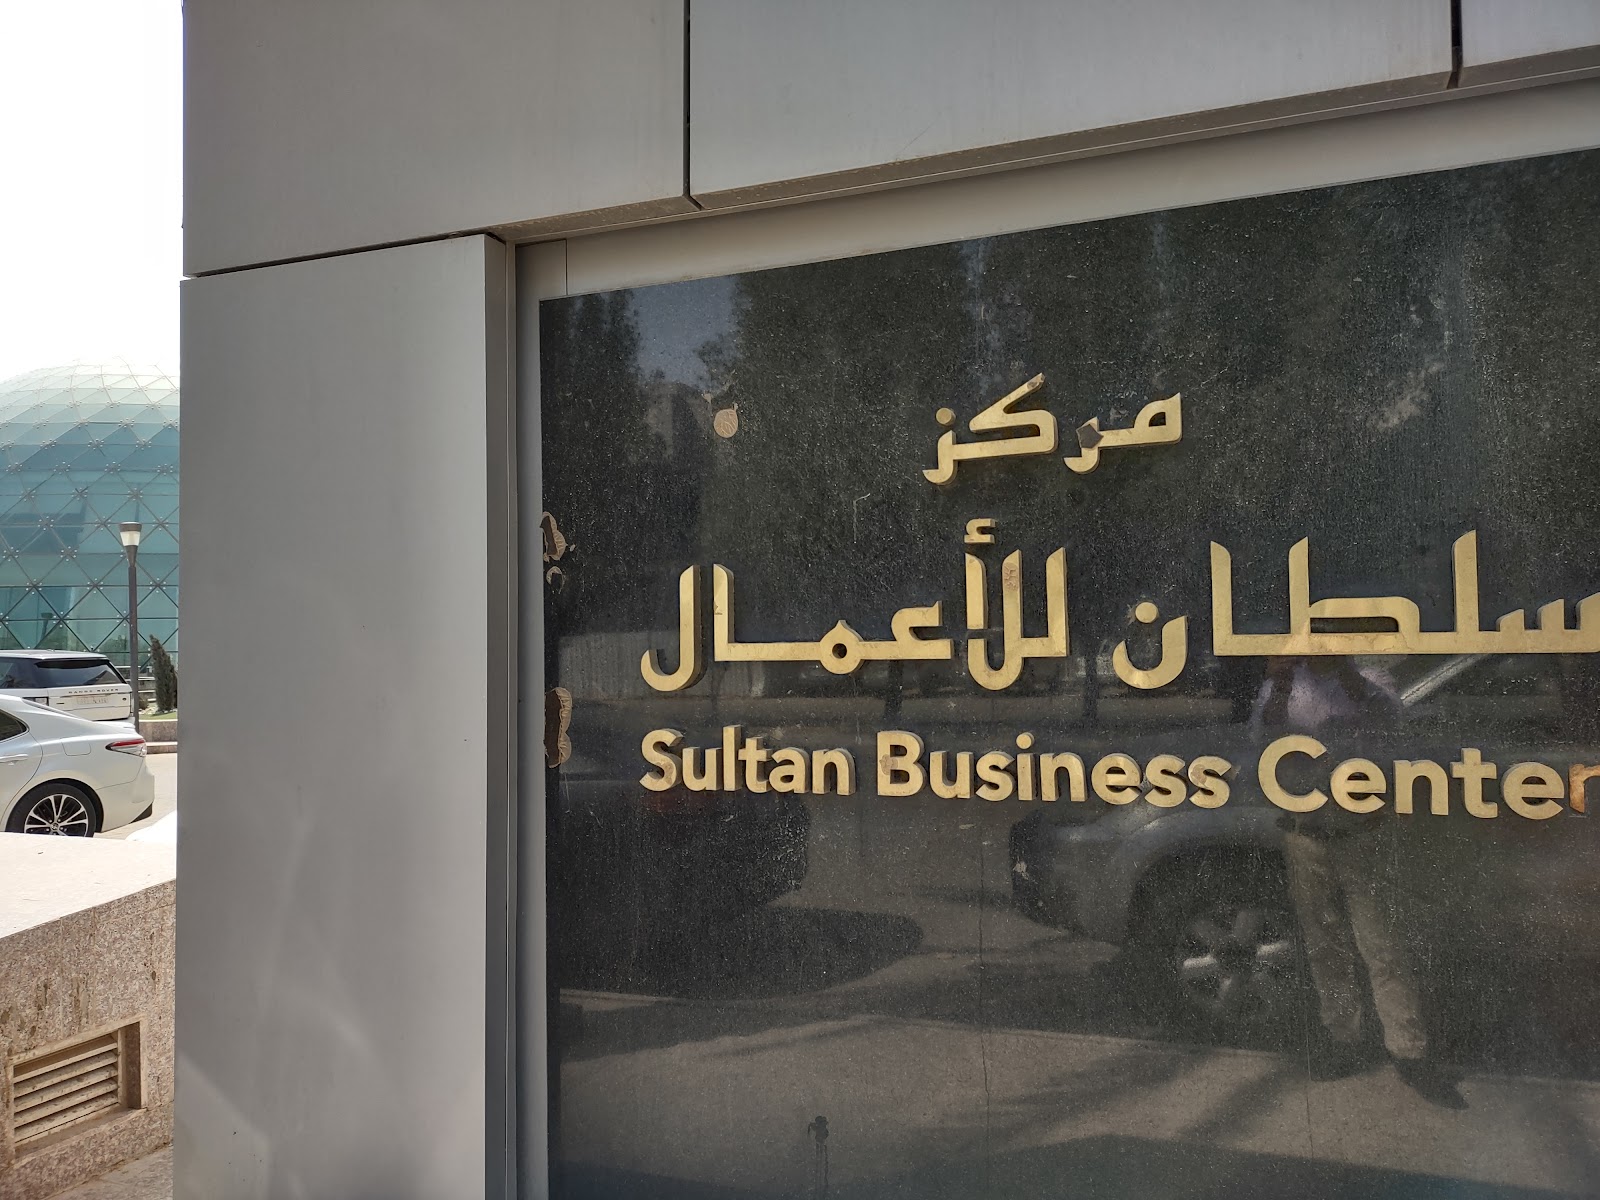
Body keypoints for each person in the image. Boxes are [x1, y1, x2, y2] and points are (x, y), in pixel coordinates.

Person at [1255, 656, 1464, 1106]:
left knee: (1383, 944)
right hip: (1305, 831)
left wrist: (1347, 676)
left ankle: (1409, 1051)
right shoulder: (1285, 685)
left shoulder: (1370, 679)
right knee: (1323, 943)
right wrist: (1281, 686)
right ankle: (1344, 1039)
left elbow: (1389, 721)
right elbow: (1262, 739)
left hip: (1363, 831)